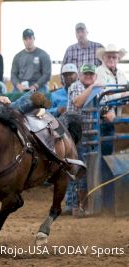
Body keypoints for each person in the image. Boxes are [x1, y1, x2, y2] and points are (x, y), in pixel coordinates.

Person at [65, 63, 113, 216]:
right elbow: (78, 102)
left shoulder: (97, 89)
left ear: (95, 76)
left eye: (91, 74)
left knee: (85, 169)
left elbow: (104, 106)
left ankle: (80, 205)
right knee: (77, 169)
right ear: (80, 75)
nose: (89, 76)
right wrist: (93, 88)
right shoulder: (76, 86)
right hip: (75, 134)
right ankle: (73, 204)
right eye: (86, 74)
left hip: (90, 134)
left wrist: (108, 113)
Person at [11, 29, 51, 93]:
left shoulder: (43, 55)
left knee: (41, 95)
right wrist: (19, 86)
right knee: (12, 97)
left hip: (38, 86)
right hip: (21, 86)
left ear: (34, 38)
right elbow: (13, 75)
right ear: (23, 40)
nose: (28, 41)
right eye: (25, 39)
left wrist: (35, 86)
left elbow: (47, 74)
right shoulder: (17, 56)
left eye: (30, 38)